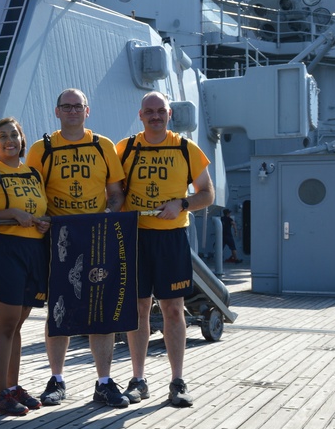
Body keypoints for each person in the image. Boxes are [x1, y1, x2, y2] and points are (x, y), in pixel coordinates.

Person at [25, 89, 127, 408]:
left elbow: (115, 192)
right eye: (66, 107)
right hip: (59, 236)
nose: (72, 111)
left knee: (101, 310)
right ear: (56, 112)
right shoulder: (42, 149)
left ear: (87, 111)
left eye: (77, 106)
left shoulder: (103, 146)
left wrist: (109, 216)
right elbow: (32, 192)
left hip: (97, 234)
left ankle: (104, 381)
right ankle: (56, 379)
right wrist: (40, 219)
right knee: (59, 310)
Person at [117, 91, 214, 408]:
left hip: (171, 238)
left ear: (169, 115)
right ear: (140, 115)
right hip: (136, 237)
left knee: (173, 309)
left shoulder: (186, 149)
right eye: (149, 111)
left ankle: (177, 381)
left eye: (161, 111)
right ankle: (138, 379)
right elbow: (112, 191)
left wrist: (182, 203)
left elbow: (207, 194)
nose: (155, 116)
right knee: (138, 309)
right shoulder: (126, 149)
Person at [0, 117, 51, 415]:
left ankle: (12, 386)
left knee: (17, 325)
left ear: (22, 139)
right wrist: (12, 212)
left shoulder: (33, 173)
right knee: (5, 324)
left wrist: (41, 224)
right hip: (3, 251)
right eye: (2, 136)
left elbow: (40, 209)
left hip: (33, 250)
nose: (9, 140)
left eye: (13, 135)